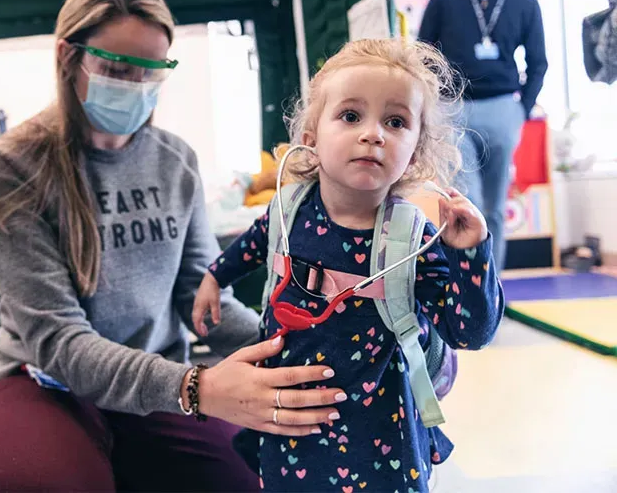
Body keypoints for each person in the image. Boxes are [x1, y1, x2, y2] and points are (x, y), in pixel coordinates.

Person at [0, 0, 347, 492]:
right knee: (24, 483)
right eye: (117, 69)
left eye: (152, 71)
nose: (136, 87)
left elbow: (201, 295)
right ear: (66, 57)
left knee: (248, 479)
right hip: (48, 382)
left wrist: (307, 347)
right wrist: (197, 388)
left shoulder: (174, 162)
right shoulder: (13, 166)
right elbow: (59, 339)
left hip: (160, 377)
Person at [192, 38, 505, 492]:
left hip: (382, 438)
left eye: (395, 121)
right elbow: (255, 243)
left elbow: (471, 332)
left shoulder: (413, 239)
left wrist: (471, 255)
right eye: (351, 116)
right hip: (292, 426)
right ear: (311, 139)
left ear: (415, 151)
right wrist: (215, 276)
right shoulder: (289, 208)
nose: (373, 133)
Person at [417, 0, 548, 271]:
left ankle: (492, 285)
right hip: (453, 109)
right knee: (463, 199)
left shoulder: (524, 0)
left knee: (494, 207)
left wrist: (521, 110)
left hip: (503, 107)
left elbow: (538, 62)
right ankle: (459, 280)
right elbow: (423, 54)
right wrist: (431, 105)